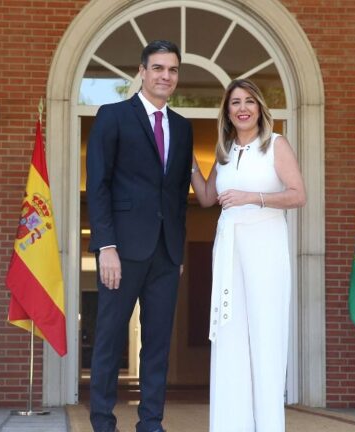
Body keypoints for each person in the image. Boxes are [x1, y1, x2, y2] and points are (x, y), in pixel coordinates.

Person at [86, 40, 193, 432]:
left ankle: (151, 423)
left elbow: (179, 193)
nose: (166, 76)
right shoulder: (113, 116)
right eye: (159, 68)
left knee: (158, 343)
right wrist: (105, 246)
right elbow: (98, 185)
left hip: (165, 253)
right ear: (143, 72)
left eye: (173, 70)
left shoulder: (182, 128)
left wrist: (178, 251)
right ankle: (102, 422)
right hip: (123, 249)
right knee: (110, 339)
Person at [190, 79, 306, 432]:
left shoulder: (276, 145)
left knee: (265, 336)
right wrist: (189, 163)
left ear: (259, 108)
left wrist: (252, 196)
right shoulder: (224, 152)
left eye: (249, 101)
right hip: (228, 251)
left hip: (265, 246)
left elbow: (298, 195)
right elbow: (209, 197)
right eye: (235, 102)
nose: (242, 108)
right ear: (227, 111)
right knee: (230, 339)